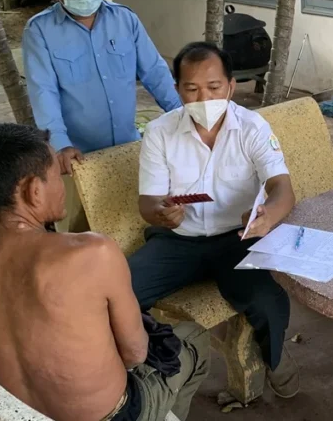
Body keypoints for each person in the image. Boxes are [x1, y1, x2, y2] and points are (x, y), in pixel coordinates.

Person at [0, 124, 210, 421]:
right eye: (57, 175)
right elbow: (135, 354)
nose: (62, 184)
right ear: (34, 191)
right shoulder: (93, 253)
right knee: (194, 338)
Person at [128, 42, 300, 398]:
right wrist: (160, 213)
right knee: (119, 292)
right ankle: (139, 367)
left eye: (214, 87)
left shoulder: (252, 127)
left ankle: (276, 357)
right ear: (177, 90)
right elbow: (148, 203)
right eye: (192, 89)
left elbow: (282, 188)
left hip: (237, 239)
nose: (203, 98)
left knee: (266, 301)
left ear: (231, 87)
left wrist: (268, 216)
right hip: (178, 240)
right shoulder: (160, 132)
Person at [22, 0, 181, 232]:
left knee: (133, 227)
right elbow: (43, 93)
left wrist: (184, 115)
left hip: (127, 148)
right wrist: (60, 145)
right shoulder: (40, 31)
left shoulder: (125, 20)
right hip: (77, 159)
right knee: (82, 233)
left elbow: (155, 73)